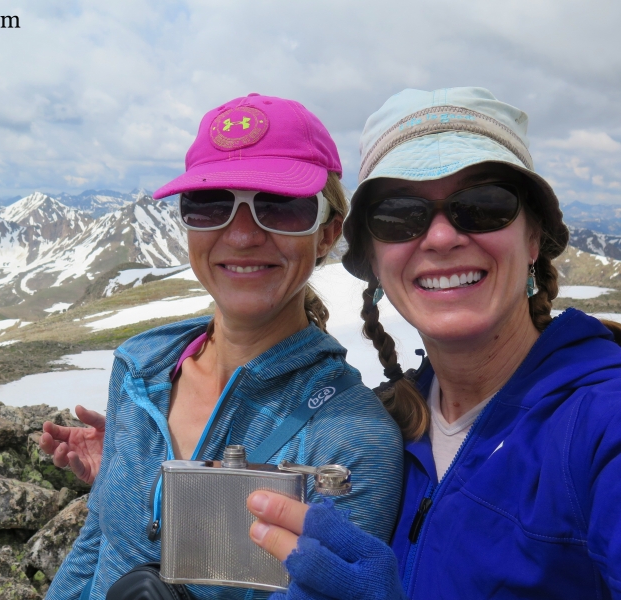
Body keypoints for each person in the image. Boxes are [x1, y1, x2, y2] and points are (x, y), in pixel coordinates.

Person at [246, 87, 621, 599]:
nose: (441, 238)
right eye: (400, 215)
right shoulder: (385, 432)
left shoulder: (603, 423)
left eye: (484, 205)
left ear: (534, 240)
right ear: (374, 263)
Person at [44, 93, 404, 600]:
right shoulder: (139, 369)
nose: (239, 235)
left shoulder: (352, 437)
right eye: (210, 204)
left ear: (326, 234)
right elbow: (98, 542)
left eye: (280, 206)